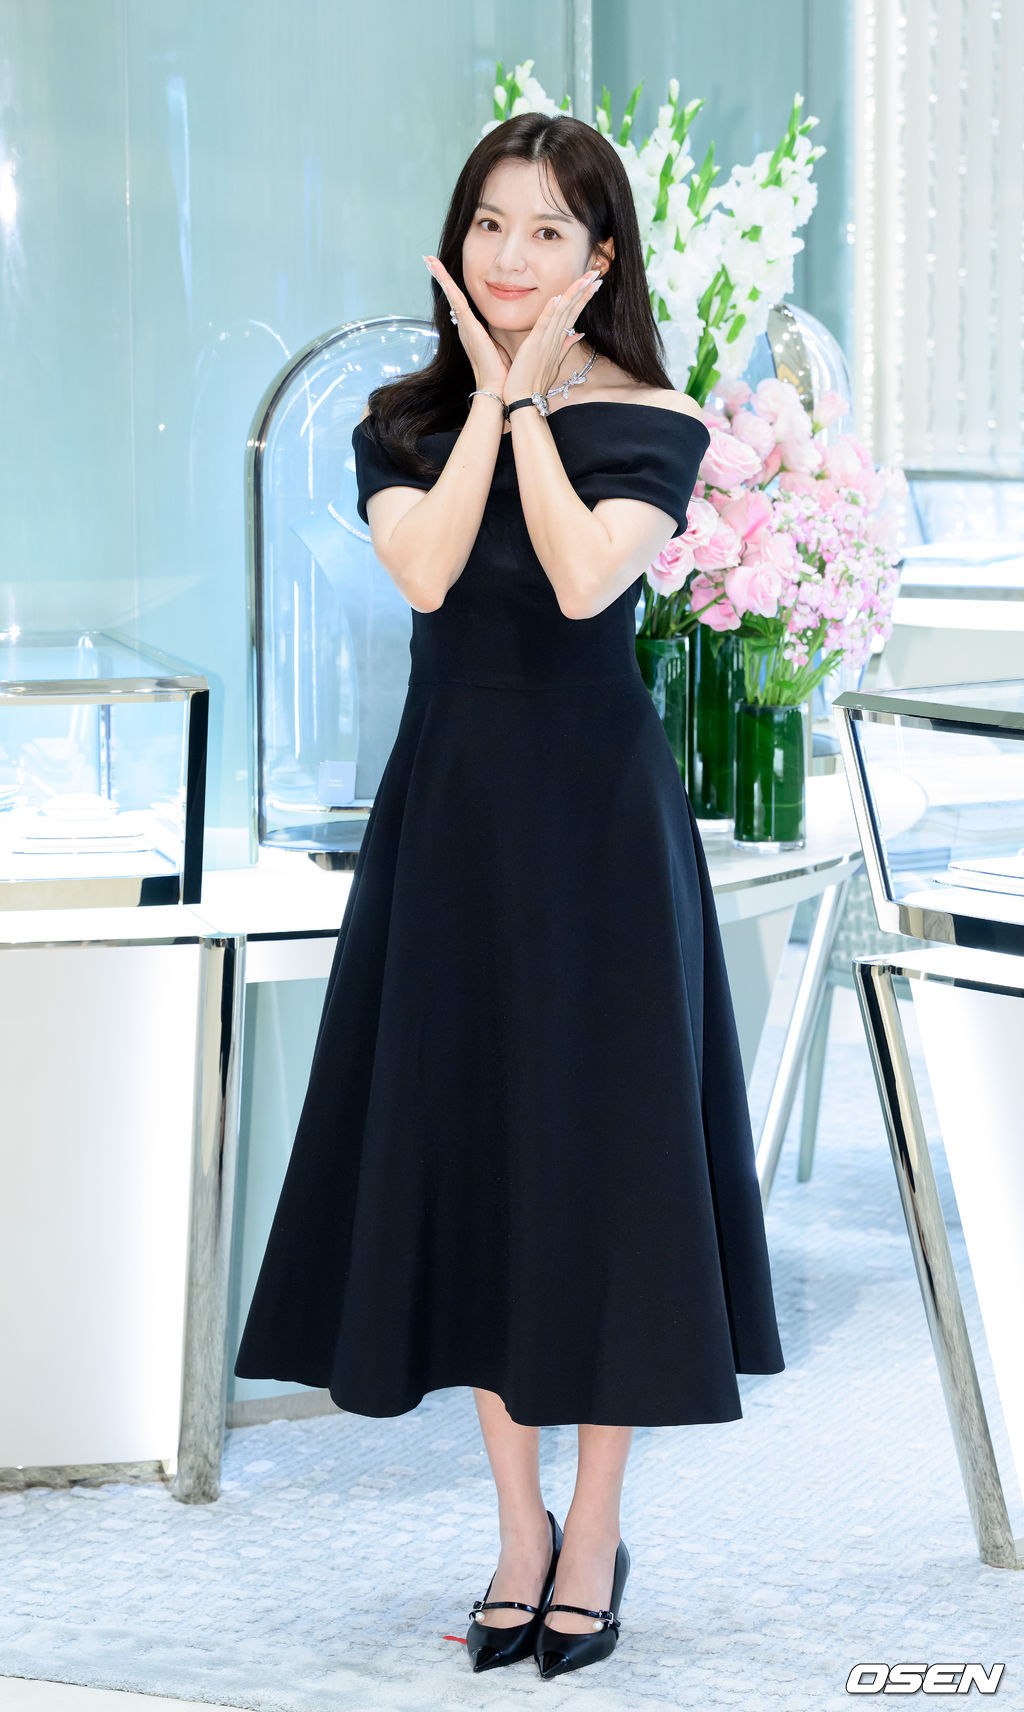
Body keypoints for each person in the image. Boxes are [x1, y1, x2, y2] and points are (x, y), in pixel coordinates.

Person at [234, 111, 785, 1681]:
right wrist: (488, 397)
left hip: (599, 842)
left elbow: (582, 577)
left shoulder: (656, 422)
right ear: (456, 242)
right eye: (490, 223)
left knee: (602, 1175)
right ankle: (517, 1528)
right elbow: (423, 571)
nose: (513, 255)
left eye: (549, 230)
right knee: (477, 1162)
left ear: (601, 258)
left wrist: (534, 406)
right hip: (454, 835)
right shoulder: (403, 423)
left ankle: (594, 1527)